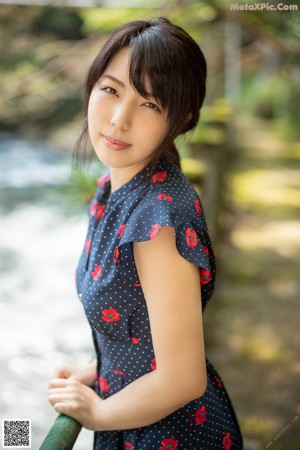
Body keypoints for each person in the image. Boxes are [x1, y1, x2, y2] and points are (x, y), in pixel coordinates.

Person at [48, 17, 243, 449]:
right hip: (136, 413)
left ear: (182, 118)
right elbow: (143, 333)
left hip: (169, 435)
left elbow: (182, 378)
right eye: (111, 89)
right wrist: (103, 372)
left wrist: (98, 413)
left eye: (150, 104)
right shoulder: (112, 188)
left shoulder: (157, 219)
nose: (119, 120)